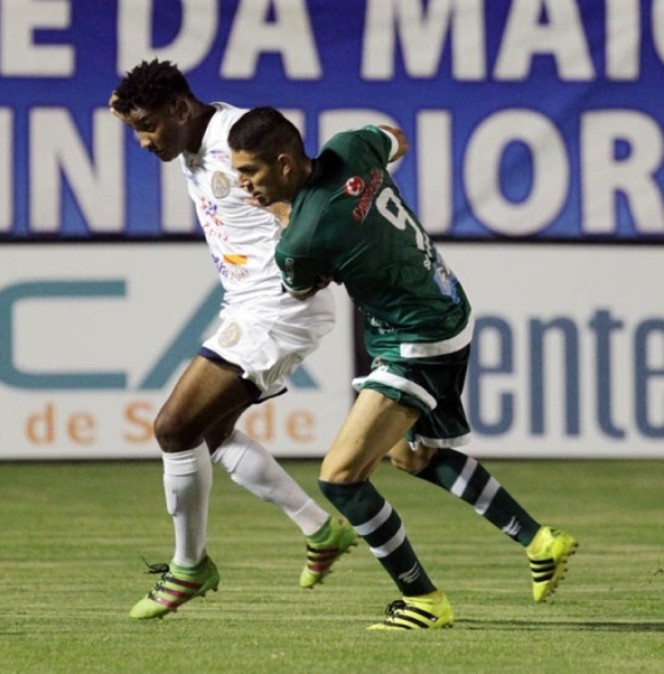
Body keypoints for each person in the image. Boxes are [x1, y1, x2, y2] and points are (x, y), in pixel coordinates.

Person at [227, 107, 578, 630]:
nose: (242, 184)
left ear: (284, 163)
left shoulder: (302, 237)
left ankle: (424, 600)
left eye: (249, 172)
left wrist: (282, 214)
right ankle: (539, 541)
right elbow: (396, 139)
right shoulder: (351, 146)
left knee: (340, 479)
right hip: (446, 306)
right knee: (410, 456)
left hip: (415, 342)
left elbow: (299, 288)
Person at [109, 61, 357, 620]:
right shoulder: (190, 132)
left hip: (279, 303)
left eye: (148, 126)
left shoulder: (240, 140)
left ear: (180, 109)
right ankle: (321, 530)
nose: (144, 142)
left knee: (174, 427)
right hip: (247, 302)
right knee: (212, 435)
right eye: (135, 130)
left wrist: (311, 254)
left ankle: (190, 566)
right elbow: (155, 113)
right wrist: (129, 106)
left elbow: (300, 194)